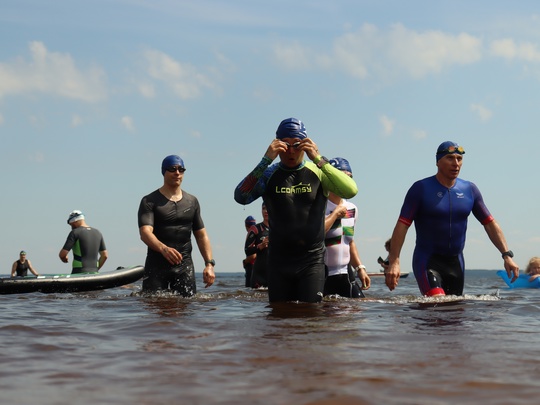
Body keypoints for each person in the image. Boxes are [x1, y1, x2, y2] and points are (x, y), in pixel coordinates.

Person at [234, 117, 358, 303]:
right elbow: (241, 197)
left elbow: (351, 190)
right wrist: (265, 160)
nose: (291, 151)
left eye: (297, 144)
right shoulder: (269, 174)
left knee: (311, 315)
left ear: (306, 144)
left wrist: (318, 158)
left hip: (311, 261)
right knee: (278, 317)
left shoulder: (318, 171)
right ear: (277, 145)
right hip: (278, 262)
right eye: (285, 145)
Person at [385, 141, 519, 296]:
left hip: (456, 263)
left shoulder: (470, 190)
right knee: (437, 303)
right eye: (450, 158)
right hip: (427, 260)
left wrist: (506, 255)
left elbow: (489, 223)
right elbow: (402, 225)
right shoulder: (421, 189)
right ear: (437, 162)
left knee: (454, 309)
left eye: (459, 159)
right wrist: (394, 261)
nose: (456, 163)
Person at [138, 155, 215, 296]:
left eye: (181, 169)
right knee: (153, 305)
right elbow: (145, 233)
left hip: (184, 266)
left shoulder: (192, 201)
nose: (177, 173)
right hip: (157, 265)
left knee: (187, 306)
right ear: (164, 171)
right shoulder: (149, 201)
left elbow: (201, 235)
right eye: (172, 169)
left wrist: (209, 264)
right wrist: (164, 249)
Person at [323, 157, 370, 298]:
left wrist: (360, 268)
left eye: (350, 177)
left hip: (346, 273)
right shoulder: (320, 207)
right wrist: (335, 214)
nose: (347, 182)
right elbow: (315, 234)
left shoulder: (351, 209)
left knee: (359, 307)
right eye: (342, 177)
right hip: (323, 275)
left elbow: (348, 241)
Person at [244, 203, 270, 288]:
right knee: (256, 296)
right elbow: (247, 250)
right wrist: (260, 246)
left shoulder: (279, 228)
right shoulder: (256, 228)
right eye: (264, 208)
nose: (266, 211)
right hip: (259, 275)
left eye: (268, 208)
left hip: (275, 273)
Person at [242, 215, 257, 287]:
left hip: (252, 265)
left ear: (246, 226)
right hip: (255, 266)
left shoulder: (252, 235)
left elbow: (254, 255)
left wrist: (245, 261)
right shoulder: (257, 232)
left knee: (249, 288)